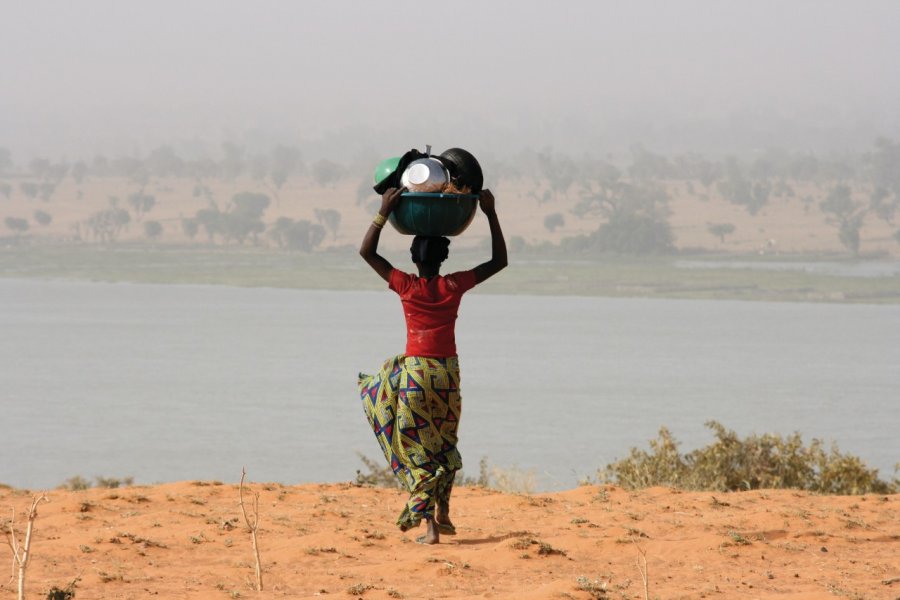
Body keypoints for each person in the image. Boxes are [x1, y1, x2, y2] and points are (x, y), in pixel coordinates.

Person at [357, 186, 507, 544]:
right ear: (444, 257)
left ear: (412, 256)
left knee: (416, 447)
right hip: (447, 374)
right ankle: (444, 509)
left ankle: (431, 528)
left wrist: (383, 211)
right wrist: (490, 213)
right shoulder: (453, 285)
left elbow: (366, 252)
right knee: (444, 442)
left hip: (416, 376)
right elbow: (499, 261)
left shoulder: (406, 286)